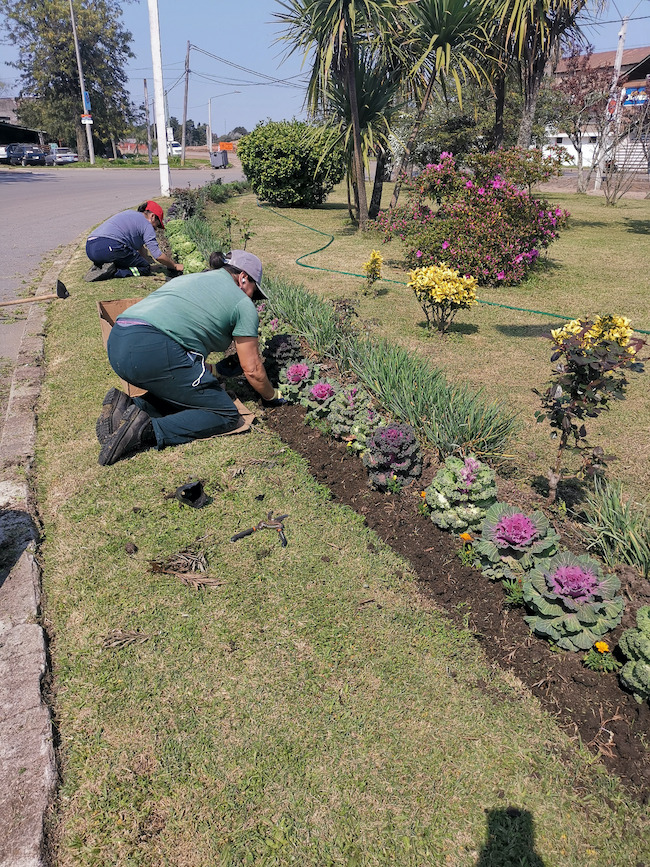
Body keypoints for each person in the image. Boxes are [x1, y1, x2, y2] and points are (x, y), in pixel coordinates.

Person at [96, 250, 284, 466]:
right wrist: (272, 396)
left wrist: (215, 371)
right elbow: (252, 369)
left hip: (119, 341)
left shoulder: (196, 278)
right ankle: (145, 430)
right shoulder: (242, 304)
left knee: (185, 395)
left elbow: (181, 336)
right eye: (254, 292)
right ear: (243, 278)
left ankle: (128, 406)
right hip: (152, 350)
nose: (253, 298)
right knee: (225, 414)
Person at [84, 201, 184, 281]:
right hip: (109, 246)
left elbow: (140, 248)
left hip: (90, 247)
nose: (156, 228)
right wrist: (174, 266)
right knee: (144, 270)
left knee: (142, 264)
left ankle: (99, 266)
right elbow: (157, 255)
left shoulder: (130, 214)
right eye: (157, 224)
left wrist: (146, 264)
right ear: (152, 216)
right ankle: (113, 272)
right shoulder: (147, 225)